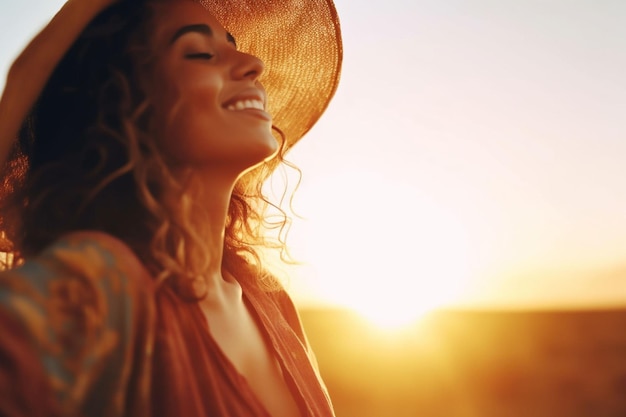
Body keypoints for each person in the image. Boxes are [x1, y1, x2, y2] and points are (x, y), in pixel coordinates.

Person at [0, 0, 342, 416]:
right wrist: (24, 77)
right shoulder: (101, 283)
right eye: (200, 53)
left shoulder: (268, 297)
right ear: (122, 106)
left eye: (235, 46)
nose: (253, 63)